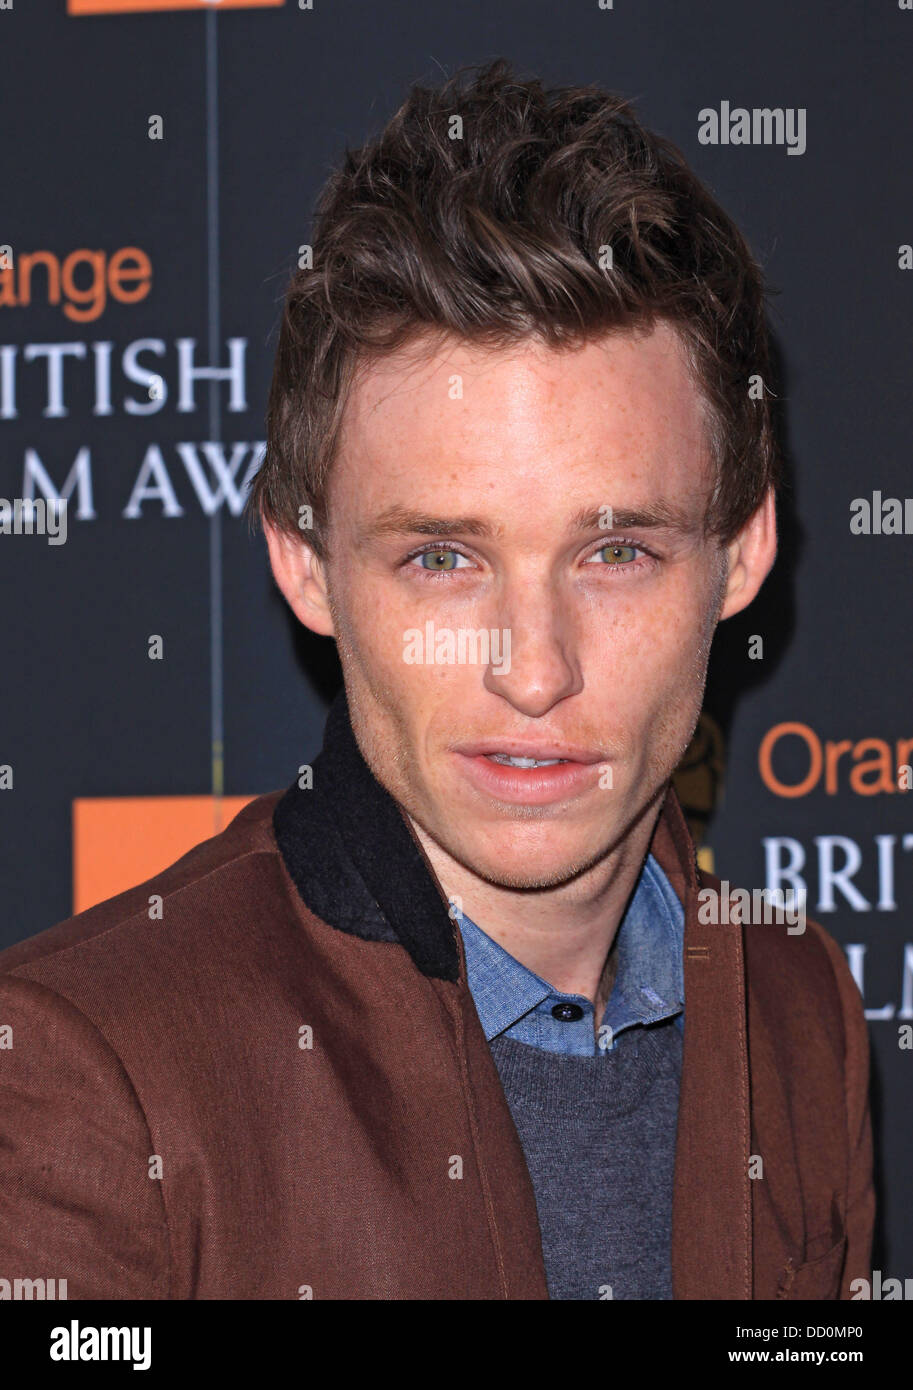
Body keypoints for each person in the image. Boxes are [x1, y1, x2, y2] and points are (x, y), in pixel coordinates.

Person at [0, 58, 873, 1300]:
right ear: (304, 563)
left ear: (742, 552)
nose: (533, 669)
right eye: (443, 558)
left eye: (615, 550)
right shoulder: (84, 1076)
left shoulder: (801, 1012)